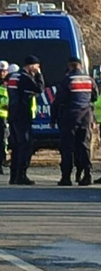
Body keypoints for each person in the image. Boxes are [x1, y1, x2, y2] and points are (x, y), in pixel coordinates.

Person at [51, 57, 98, 186]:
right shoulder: (89, 80)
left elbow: (58, 100)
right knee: (84, 146)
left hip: (69, 116)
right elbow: (95, 96)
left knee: (67, 147)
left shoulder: (68, 80)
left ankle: (66, 177)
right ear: (81, 66)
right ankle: (87, 174)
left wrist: (53, 118)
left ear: (70, 66)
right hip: (86, 116)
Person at [7, 55, 45, 186]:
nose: (38, 68)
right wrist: (39, 75)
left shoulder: (13, 76)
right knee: (25, 145)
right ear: (31, 65)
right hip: (22, 115)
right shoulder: (24, 77)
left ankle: (13, 176)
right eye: (37, 66)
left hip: (12, 114)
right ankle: (21, 175)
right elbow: (39, 88)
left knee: (16, 146)